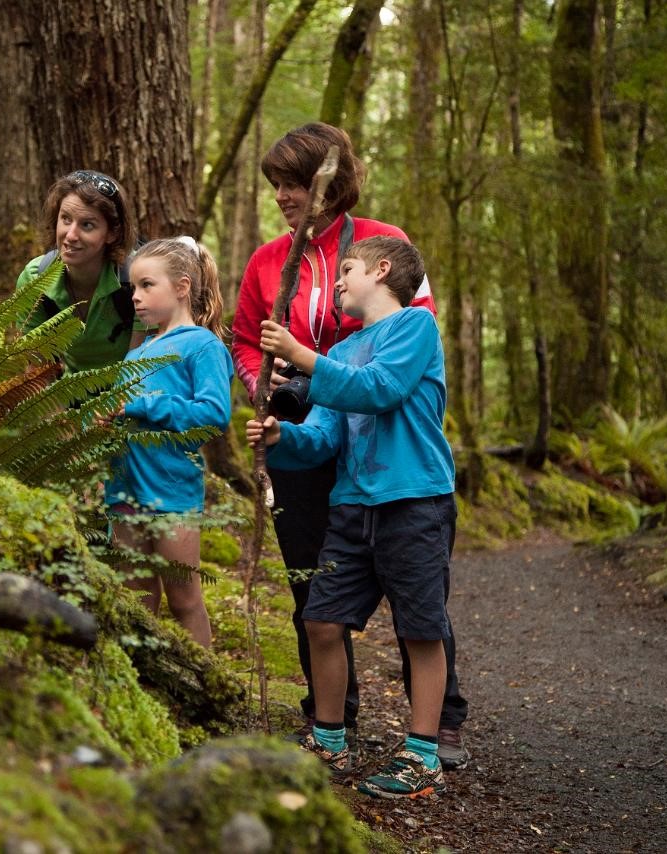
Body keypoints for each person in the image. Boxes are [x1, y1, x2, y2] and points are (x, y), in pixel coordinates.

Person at [230, 122, 468, 769]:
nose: (283, 195)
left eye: (296, 182)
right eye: (276, 184)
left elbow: (406, 341)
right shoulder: (266, 261)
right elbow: (248, 338)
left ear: (330, 181)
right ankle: (331, 717)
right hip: (312, 416)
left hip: (387, 447)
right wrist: (268, 386)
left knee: (417, 598)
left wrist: (313, 362)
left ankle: (438, 727)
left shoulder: (381, 245)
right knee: (318, 586)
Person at [247, 236, 457, 798]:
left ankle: (423, 755)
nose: (336, 282)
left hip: (414, 502)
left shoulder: (415, 329)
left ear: (382, 270)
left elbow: (380, 389)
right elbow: (323, 437)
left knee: (419, 627)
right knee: (321, 620)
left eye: (346, 270)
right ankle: (330, 739)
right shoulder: (339, 356)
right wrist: (280, 436)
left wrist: (298, 356)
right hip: (352, 505)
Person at [105, 237, 233, 648]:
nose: (136, 297)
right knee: (135, 602)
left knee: (184, 600)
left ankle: (210, 695)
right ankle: (145, 694)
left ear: (181, 287)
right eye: (133, 288)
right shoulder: (137, 352)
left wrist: (145, 406)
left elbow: (214, 415)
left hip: (172, 491)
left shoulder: (203, 345)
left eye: (146, 285)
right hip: (124, 490)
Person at [16, 170, 149, 372]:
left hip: (128, 396)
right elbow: (36, 375)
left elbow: (138, 369)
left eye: (87, 225)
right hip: (69, 395)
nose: (70, 235)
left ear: (112, 233)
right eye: (66, 219)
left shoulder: (137, 279)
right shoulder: (35, 278)